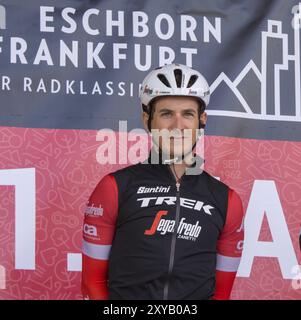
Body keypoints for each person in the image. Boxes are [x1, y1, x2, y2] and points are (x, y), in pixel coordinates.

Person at [81, 63, 244, 300]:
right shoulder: (114, 188)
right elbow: (92, 284)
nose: (177, 126)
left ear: (202, 120)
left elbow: (222, 294)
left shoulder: (227, 201)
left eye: (187, 114)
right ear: (147, 119)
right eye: (166, 114)